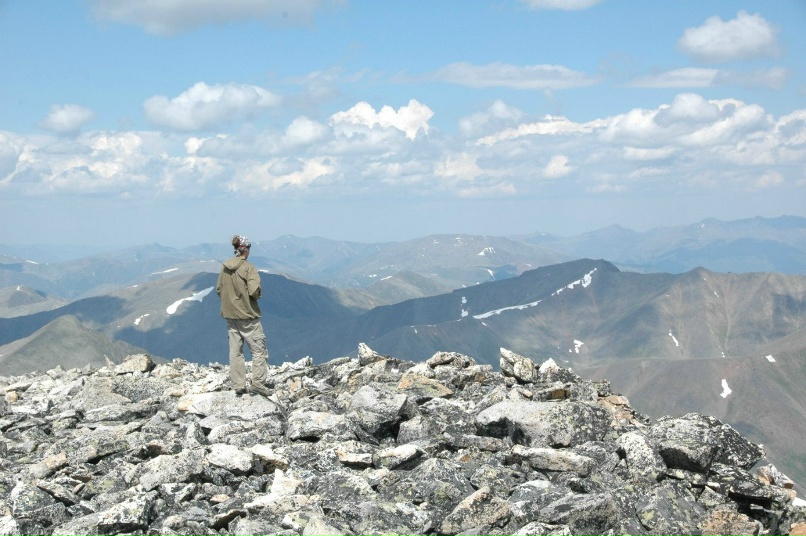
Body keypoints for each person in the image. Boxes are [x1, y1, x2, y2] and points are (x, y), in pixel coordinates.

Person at [216, 235, 271, 396]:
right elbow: (254, 291)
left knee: (235, 351)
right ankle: (258, 384)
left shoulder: (225, 268)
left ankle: (238, 384)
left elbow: (219, 289)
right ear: (245, 250)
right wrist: (255, 294)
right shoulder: (249, 268)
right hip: (248, 317)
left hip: (230, 316)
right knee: (258, 350)